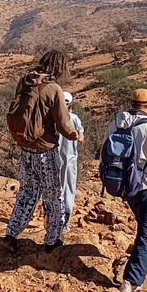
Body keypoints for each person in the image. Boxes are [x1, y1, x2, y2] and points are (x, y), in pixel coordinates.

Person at [4, 49, 79, 254]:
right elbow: (63, 125)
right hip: (46, 150)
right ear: (59, 67)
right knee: (53, 195)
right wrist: (76, 135)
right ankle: (53, 240)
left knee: (27, 192)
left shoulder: (24, 80)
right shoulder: (53, 88)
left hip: (25, 146)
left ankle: (11, 234)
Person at [104, 88, 147, 292]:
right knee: (145, 232)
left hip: (125, 186)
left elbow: (105, 154)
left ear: (131, 104)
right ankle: (131, 281)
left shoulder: (114, 125)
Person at [56, 92, 85, 229]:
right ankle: (64, 221)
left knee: (54, 189)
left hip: (54, 158)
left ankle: (53, 219)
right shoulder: (74, 118)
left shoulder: (52, 117)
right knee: (68, 189)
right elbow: (81, 136)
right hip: (69, 159)